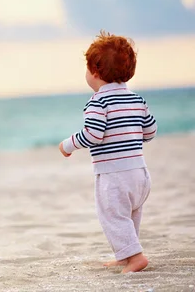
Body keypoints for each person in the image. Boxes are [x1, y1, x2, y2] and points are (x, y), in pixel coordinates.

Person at [58, 30, 157, 273]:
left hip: (114, 175)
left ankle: (135, 257)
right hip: (140, 174)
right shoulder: (136, 99)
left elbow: (93, 133)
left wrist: (68, 144)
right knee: (130, 215)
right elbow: (151, 131)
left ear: (95, 72)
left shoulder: (98, 102)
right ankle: (126, 255)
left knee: (112, 216)